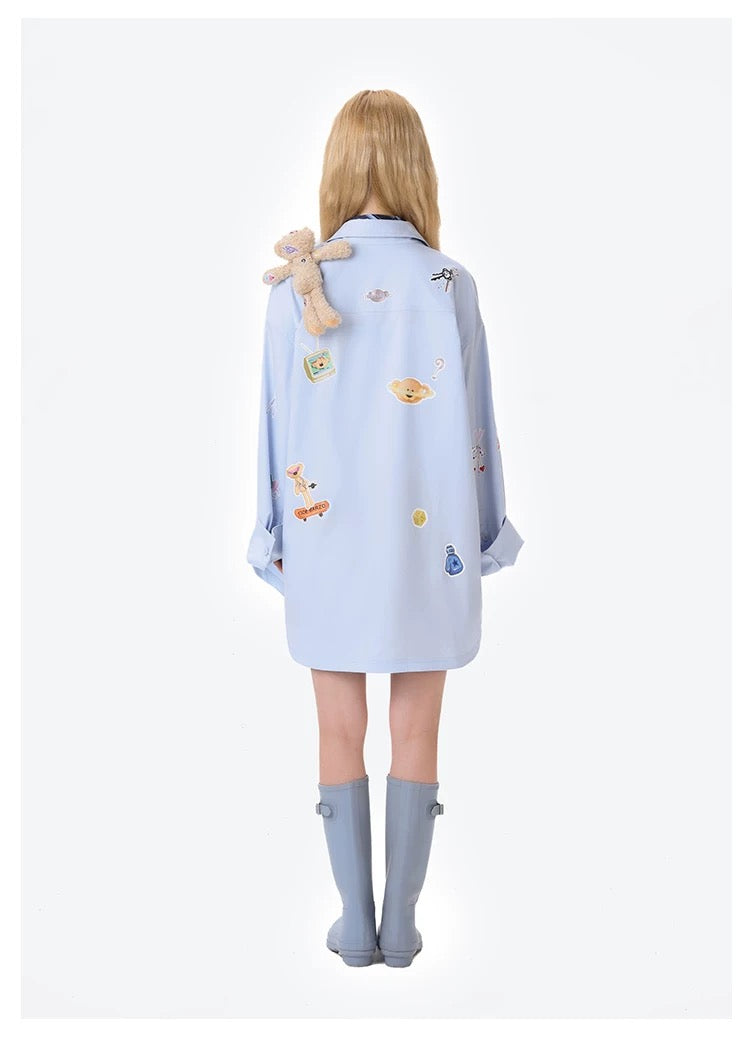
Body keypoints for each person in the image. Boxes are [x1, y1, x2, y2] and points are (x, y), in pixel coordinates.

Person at [246, 89, 524, 968]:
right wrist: (486, 534)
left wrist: (274, 532)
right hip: (426, 544)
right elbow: (475, 426)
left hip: (327, 540)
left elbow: (276, 424)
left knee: (337, 727)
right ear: (415, 166)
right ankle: (401, 923)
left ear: (338, 164)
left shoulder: (294, 288)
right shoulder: (450, 282)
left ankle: (353, 923)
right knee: (417, 729)